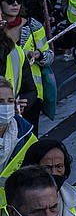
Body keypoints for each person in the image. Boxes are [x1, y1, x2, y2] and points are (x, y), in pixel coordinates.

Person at [0, 0, 45, 131]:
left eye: (18, 0)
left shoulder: (32, 26)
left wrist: (39, 55)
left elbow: (48, 55)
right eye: (10, 1)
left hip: (25, 99)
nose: (15, 4)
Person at [0, 75, 37, 208]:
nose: (5, 106)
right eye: (0, 101)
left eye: (9, 100)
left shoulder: (26, 136)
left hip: (13, 211)